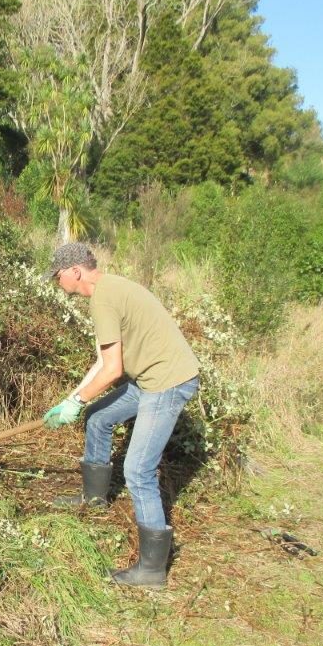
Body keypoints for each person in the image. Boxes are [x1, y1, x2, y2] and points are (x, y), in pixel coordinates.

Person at [43, 242, 199, 588]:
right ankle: (94, 498)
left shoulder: (103, 299)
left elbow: (113, 370)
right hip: (149, 378)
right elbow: (104, 361)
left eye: (57, 277)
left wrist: (77, 400)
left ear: (74, 271)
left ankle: (152, 570)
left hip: (167, 382)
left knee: (138, 470)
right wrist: (75, 399)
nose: (58, 284)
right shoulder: (110, 290)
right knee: (99, 417)